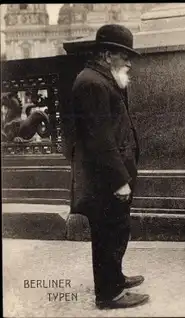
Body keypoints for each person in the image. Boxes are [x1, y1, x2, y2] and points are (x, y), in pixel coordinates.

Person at [62, 24, 149, 309]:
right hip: (105, 178)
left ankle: (115, 278)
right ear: (107, 54)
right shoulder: (92, 83)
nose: (129, 61)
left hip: (110, 174)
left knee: (116, 229)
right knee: (107, 232)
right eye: (124, 55)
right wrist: (119, 180)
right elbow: (99, 139)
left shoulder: (102, 79)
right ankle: (109, 293)